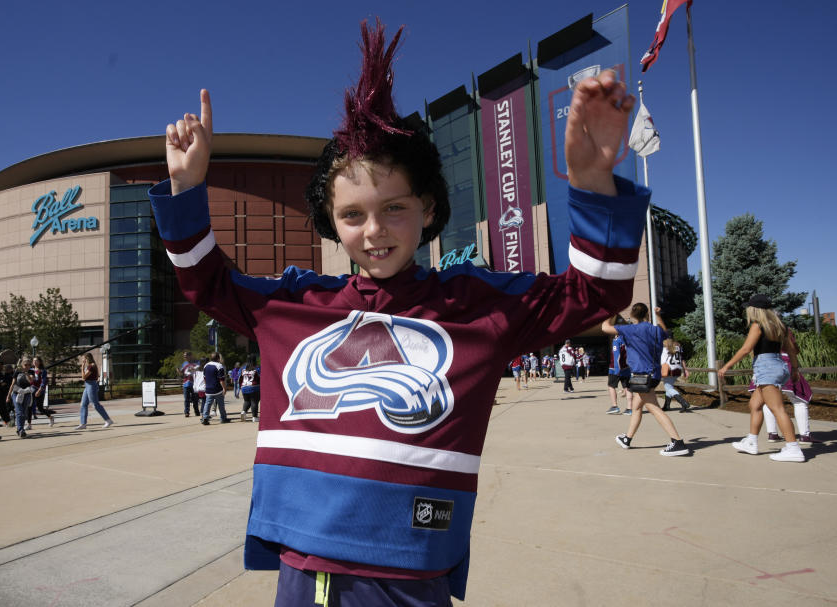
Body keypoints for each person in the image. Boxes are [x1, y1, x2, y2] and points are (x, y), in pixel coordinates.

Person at [149, 20, 646, 604]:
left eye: (394, 208)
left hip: (411, 580)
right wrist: (187, 190)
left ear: (428, 206)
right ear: (331, 222)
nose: (375, 231)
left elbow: (595, 295)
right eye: (352, 215)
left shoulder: (477, 306)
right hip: (301, 577)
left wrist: (592, 185)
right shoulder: (291, 305)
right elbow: (206, 285)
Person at [720, 294, 804, 462]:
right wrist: (794, 369)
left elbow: (745, 349)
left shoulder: (758, 326)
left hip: (767, 368)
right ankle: (751, 441)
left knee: (777, 408)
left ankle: (793, 448)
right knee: (755, 404)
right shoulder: (781, 326)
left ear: (754, 310)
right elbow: (791, 350)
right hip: (778, 365)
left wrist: (726, 366)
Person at [602, 304, 689, 456]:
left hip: (642, 376)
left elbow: (605, 327)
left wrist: (612, 312)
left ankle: (677, 442)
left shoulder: (630, 329)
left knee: (654, 408)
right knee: (636, 407)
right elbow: (665, 332)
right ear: (647, 315)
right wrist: (658, 315)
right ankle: (627, 439)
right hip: (653, 375)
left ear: (633, 315)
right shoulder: (655, 330)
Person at [605, 321, 631, 415]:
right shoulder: (629, 340)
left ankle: (614, 406)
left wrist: (617, 369)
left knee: (611, 386)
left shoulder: (617, 341)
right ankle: (629, 408)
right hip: (627, 367)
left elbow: (617, 355)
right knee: (627, 387)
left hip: (615, 368)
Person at [660, 338, 692, 412]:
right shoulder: (678, 346)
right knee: (669, 386)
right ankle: (666, 406)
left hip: (669, 370)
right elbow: (682, 359)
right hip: (677, 369)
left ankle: (683, 402)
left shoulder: (665, 348)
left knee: (668, 388)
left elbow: (663, 361)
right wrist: (685, 369)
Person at [7, 358, 35, 438]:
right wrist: (8, 395)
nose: (27, 366)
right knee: (19, 412)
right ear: (22, 365)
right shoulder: (17, 372)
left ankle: (20, 429)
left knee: (24, 413)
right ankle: (21, 430)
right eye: (25, 365)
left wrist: (26, 374)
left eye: (29, 365)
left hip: (26, 393)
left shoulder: (31, 372)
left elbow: (30, 381)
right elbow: (12, 384)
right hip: (17, 393)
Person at [201, 352, 228, 424]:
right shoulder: (219, 366)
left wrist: (207, 385)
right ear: (218, 358)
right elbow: (221, 380)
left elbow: (204, 378)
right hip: (217, 389)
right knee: (221, 404)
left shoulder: (206, 365)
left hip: (209, 389)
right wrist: (224, 388)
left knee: (207, 404)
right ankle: (223, 418)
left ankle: (205, 418)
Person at [28, 357, 54, 430]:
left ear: (40, 362)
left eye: (36, 361)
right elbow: (30, 380)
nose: (35, 362)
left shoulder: (43, 371)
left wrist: (39, 390)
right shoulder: (30, 370)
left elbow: (43, 381)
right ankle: (29, 424)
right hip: (32, 388)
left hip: (40, 389)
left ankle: (51, 417)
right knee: (29, 406)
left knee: (40, 408)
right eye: (33, 361)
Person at [240, 355, 261, 422]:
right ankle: (254, 417)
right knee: (254, 402)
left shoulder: (243, 368)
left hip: (244, 387)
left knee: (246, 401)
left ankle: (244, 412)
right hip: (254, 387)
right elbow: (261, 377)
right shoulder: (257, 368)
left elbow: (240, 378)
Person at [0, 362, 14, 427]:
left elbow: (2, 383)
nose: (3, 368)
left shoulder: (2, 374)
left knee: (0, 408)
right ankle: (7, 421)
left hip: (1, 393)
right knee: (1, 408)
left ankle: (6, 421)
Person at [179, 351, 196, 417]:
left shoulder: (195, 363)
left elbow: (198, 372)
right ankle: (186, 412)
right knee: (186, 399)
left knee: (195, 399)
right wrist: (179, 372)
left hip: (194, 384)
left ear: (190, 356)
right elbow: (182, 374)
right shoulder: (184, 364)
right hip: (186, 384)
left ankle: (196, 411)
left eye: (185, 356)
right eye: (184, 356)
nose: (184, 357)